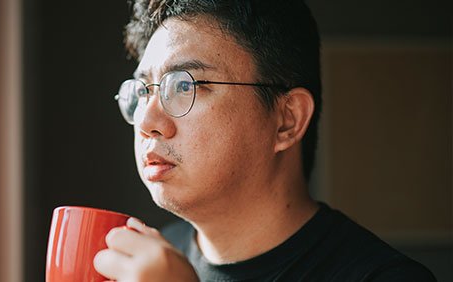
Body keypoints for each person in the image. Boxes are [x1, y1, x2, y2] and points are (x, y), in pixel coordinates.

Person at [93, 0, 437, 281]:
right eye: (143, 91)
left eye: (185, 86)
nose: (148, 122)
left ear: (287, 120)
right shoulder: (153, 257)